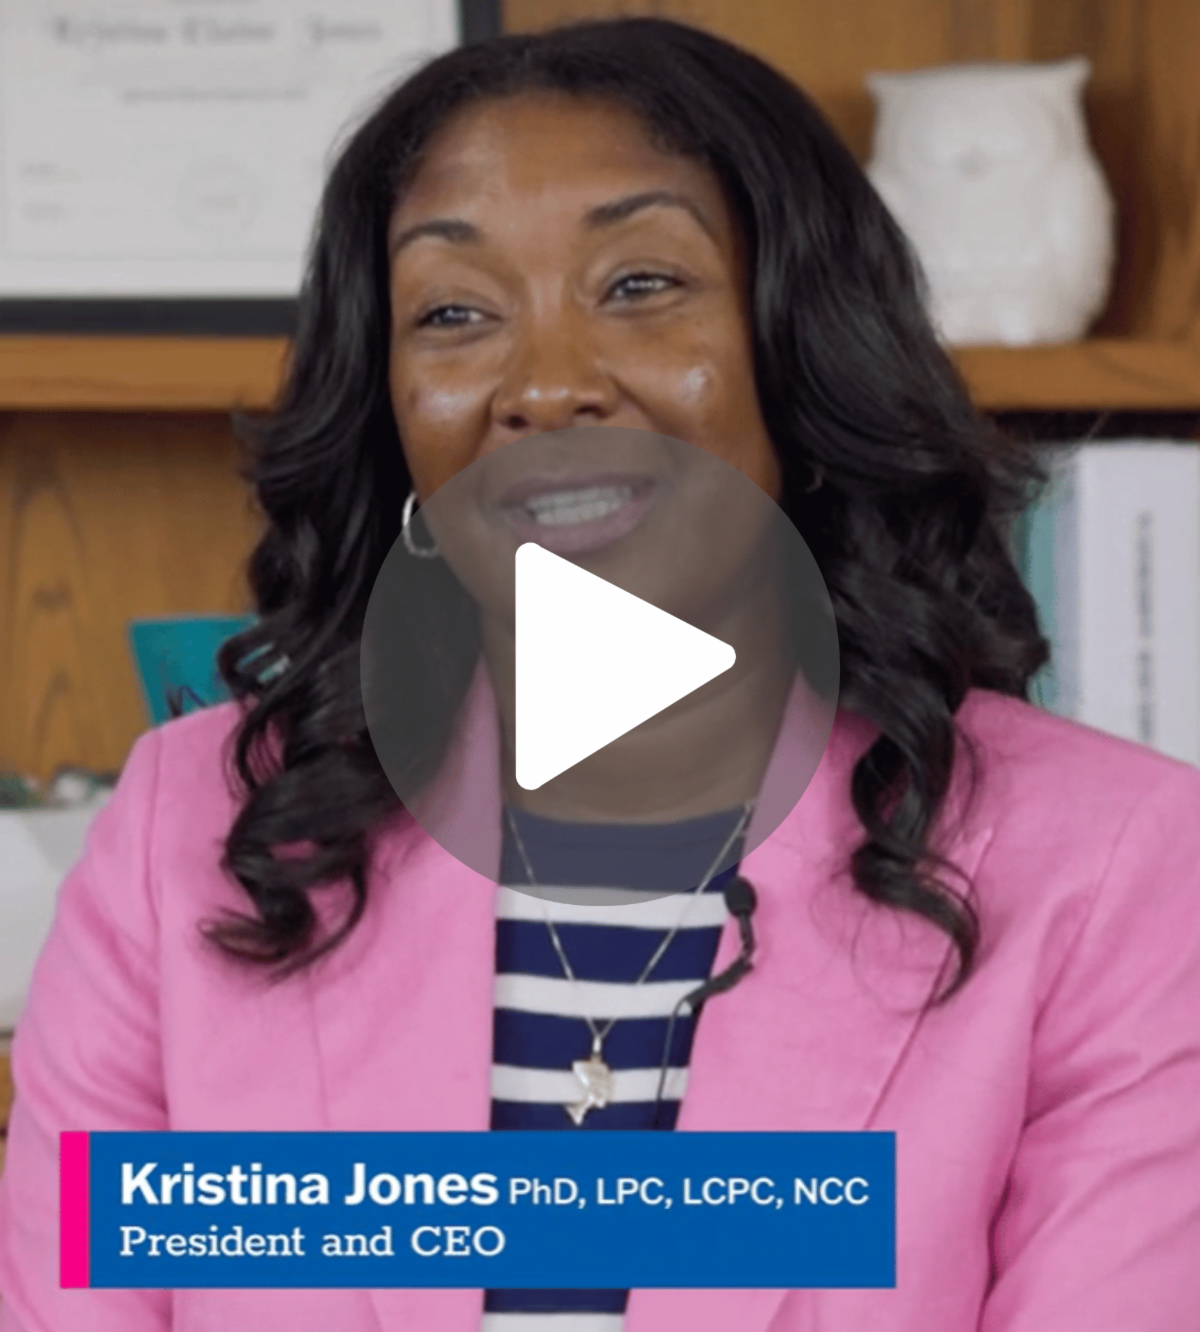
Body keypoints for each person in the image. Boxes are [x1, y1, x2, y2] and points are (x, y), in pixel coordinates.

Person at [2, 16, 1199, 1332]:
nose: (547, 386)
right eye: (453, 312)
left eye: (640, 285)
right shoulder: (189, 837)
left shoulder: (1116, 866)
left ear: (798, 354)